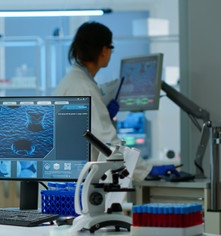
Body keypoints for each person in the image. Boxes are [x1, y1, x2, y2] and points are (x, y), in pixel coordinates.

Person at [54, 21, 178, 182]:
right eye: (111, 48)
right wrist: (146, 169)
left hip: (71, 176)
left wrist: (102, 111)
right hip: (75, 181)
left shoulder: (75, 81)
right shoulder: (84, 88)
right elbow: (108, 142)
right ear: (104, 50)